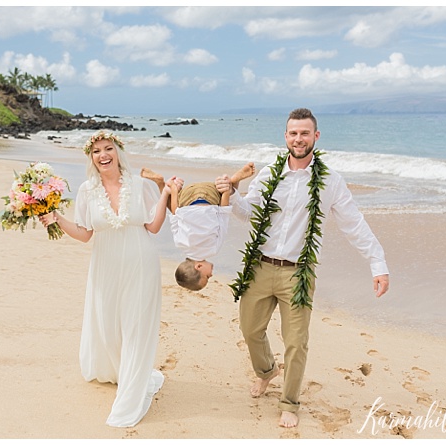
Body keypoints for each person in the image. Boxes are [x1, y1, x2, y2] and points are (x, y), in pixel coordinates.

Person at [215, 108, 390, 429]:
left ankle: (290, 401)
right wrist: (232, 193)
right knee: (250, 331)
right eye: (293, 133)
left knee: (296, 341)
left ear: (316, 137)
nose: (299, 138)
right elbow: (248, 212)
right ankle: (267, 372)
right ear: (286, 137)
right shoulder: (270, 174)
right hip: (260, 266)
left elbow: (354, 224)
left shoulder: (330, 182)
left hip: (298, 273)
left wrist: (377, 263)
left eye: (305, 133)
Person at [39, 130, 170, 428]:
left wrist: (164, 193)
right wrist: (56, 218)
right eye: (96, 151)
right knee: (110, 327)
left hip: (141, 262)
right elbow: (85, 234)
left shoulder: (140, 185)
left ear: (118, 152)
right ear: (91, 157)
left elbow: (154, 225)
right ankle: (121, 372)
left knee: (136, 328)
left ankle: (130, 395)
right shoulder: (87, 190)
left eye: (107, 148)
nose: (102, 155)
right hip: (105, 265)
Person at [141, 163, 255, 291]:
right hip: (187, 195)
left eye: (207, 276)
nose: (211, 275)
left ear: (199, 267)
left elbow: (224, 214)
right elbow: (175, 214)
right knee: (176, 213)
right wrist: (174, 190)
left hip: (211, 194)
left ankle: (233, 181)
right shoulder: (181, 244)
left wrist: (227, 190)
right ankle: (161, 184)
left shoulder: (213, 249)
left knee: (227, 202)